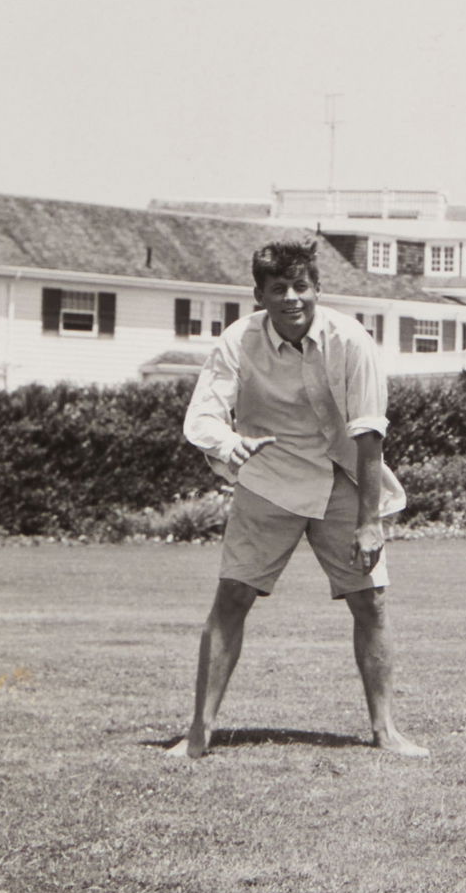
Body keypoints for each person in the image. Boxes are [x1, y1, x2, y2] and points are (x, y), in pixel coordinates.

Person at [168, 239, 426, 760]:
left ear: (317, 288)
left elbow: (369, 435)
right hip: (268, 482)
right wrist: (230, 443)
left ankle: (386, 730)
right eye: (278, 288)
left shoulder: (352, 340)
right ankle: (198, 732)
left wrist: (368, 522)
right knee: (232, 600)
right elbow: (201, 418)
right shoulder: (237, 341)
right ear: (258, 294)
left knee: (371, 602)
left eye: (301, 286)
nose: (292, 298)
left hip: (340, 482)